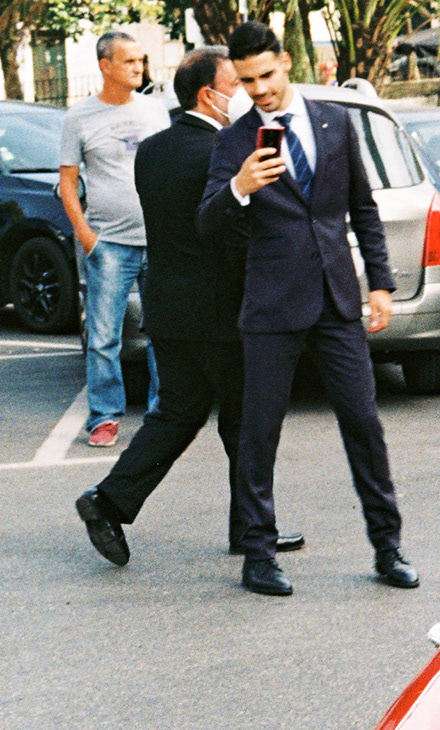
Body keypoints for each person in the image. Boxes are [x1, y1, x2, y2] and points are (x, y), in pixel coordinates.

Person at [200, 21, 413, 598]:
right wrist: (240, 187)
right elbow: (206, 223)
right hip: (271, 305)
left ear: (286, 62)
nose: (260, 89)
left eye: (267, 75)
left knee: (364, 424)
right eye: (247, 81)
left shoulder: (335, 122)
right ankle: (258, 555)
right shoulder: (234, 142)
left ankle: (388, 547)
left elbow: (362, 208)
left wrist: (381, 284)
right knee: (259, 434)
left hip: (337, 300)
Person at [74, 47, 306, 568]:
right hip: (224, 312)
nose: (246, 93)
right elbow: (235, 234)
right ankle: (251, 531)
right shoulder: (225, 151)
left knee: (178, 413)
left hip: (170, 306)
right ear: (208, 94)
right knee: (245, 422)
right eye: (236, 84)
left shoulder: (153, 150)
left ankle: (107, 501)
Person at [59, 31, 167, 451]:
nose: (139, 68)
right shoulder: (79, 117)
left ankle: (161, 416)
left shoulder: (154, 110)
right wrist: (87, 236)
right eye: (129, 61)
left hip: (159, 241)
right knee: (104, 337)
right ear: (105, 66)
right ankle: (104, 417)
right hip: (109, 246)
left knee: (163, 334)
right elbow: (68, 183)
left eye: (141, 60)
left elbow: (172, 166)